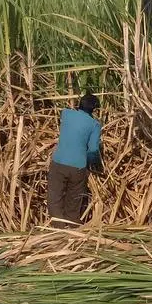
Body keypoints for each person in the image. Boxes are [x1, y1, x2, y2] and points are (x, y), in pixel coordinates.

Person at [47, 93, 103, 226]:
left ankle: (58, 227)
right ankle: (72, 229)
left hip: (59, 163)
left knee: (55, 197)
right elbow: (93, 150)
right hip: (78, 167)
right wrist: (95, 164)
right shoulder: (95, 124)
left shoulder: (66, 113)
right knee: (74, 199)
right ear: (94, 109)